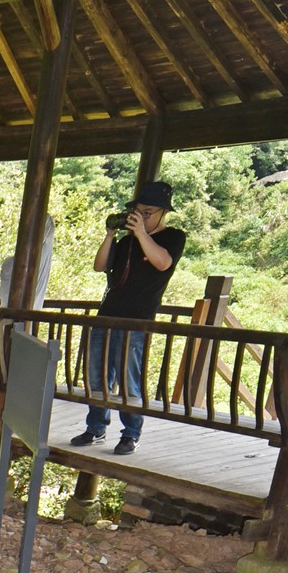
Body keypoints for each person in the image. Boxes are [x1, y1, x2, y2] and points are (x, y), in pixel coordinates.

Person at [71, 181, 185, 455]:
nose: (141, 216)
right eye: (138, 211)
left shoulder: (173, 237)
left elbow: (162, 263)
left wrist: (141, 233)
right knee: (96, 378)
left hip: (136, 321)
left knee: (128, 380)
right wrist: (111, 235)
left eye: (148, 212)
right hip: (106, 316)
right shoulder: (126, 242)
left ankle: (131, 434)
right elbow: (100, 266)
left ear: (162, 213)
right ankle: (96, 427)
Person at [0, 217, 55, 420]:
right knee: (3, 360)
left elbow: (11, 270)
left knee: (5, 360)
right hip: (13, 315)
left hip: (19, 316)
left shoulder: (36, 257)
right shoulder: (33, 256)